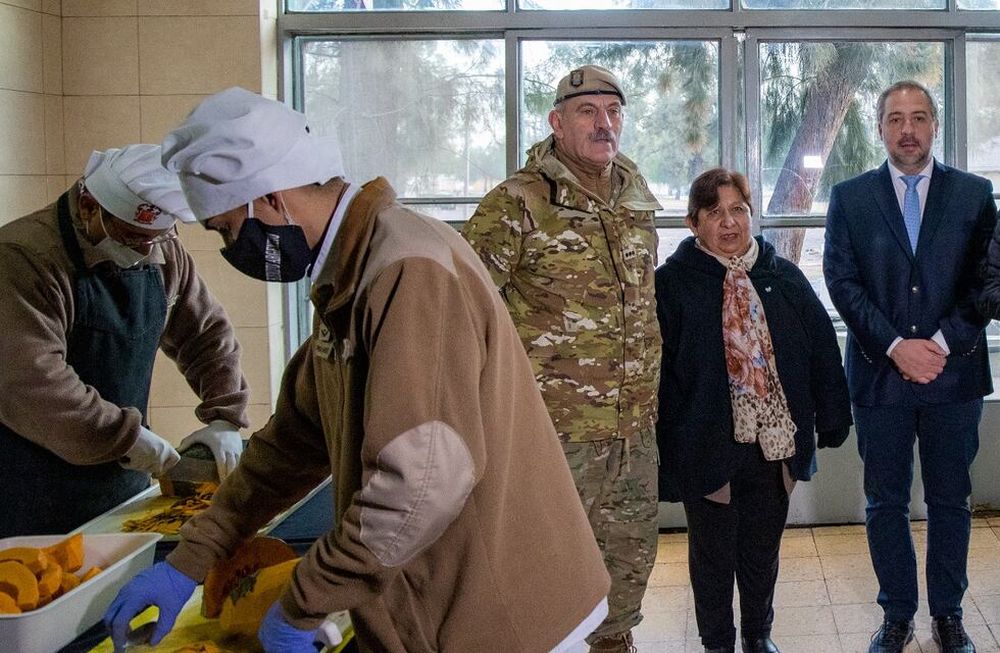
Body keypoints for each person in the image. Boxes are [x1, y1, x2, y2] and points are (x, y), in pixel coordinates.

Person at [103, 87, 611, 653]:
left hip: (507, 610)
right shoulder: (349, 276)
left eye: (226, 228)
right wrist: (192, 559)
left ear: (269, 200)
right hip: (447, 589)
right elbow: (291, 443)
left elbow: (421, 482)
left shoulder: (406, 271)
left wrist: (304, 601)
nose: (230, 247)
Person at [461, 64, 662, 653]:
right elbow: (466, 307)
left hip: (633, 427)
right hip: (554, 432)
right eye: (587, 112)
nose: (604, 124)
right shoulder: (518, 203)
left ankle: (613, 642)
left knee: (628, 560)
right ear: (556, 121)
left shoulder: (634, 194)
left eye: (613, 112)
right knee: (540, 567)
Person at [824, 80, 996, 653]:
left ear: (935, 126)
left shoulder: (974, 195)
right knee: (885, 502)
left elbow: (989, 282)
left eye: (919, 117)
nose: (907, 129)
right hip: (880, 375)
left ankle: (948, 615)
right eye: (895, 118)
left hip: (956, 376)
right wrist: (897, 345)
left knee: (951, 500)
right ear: (879, 128)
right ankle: (896, 615)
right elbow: (842, 283)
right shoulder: (850, 198)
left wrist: (942, 342)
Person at [0, 144, 250, 537]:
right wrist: (124, 435)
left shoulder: (161, 250)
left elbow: (205, 333)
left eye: (158, 238)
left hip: (121, 479)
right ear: (88, 206)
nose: (146, 252)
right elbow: (32, 381)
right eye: (133, 239)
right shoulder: (23, 258)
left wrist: (225, 414)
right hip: (31, 493)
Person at [655, 168, 852, 653]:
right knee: (713, 556)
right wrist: (667, 449)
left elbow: (821, 349)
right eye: (714, 212)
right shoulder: (671, 285)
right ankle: (718, 642)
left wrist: (832, 417)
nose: (729, 223)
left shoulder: (781, 276)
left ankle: (758, 634)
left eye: (738, 210)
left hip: (774, 448)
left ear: (751, 214)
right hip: (707, 447)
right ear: (693, 222)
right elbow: (658, 375)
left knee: (761, 552)